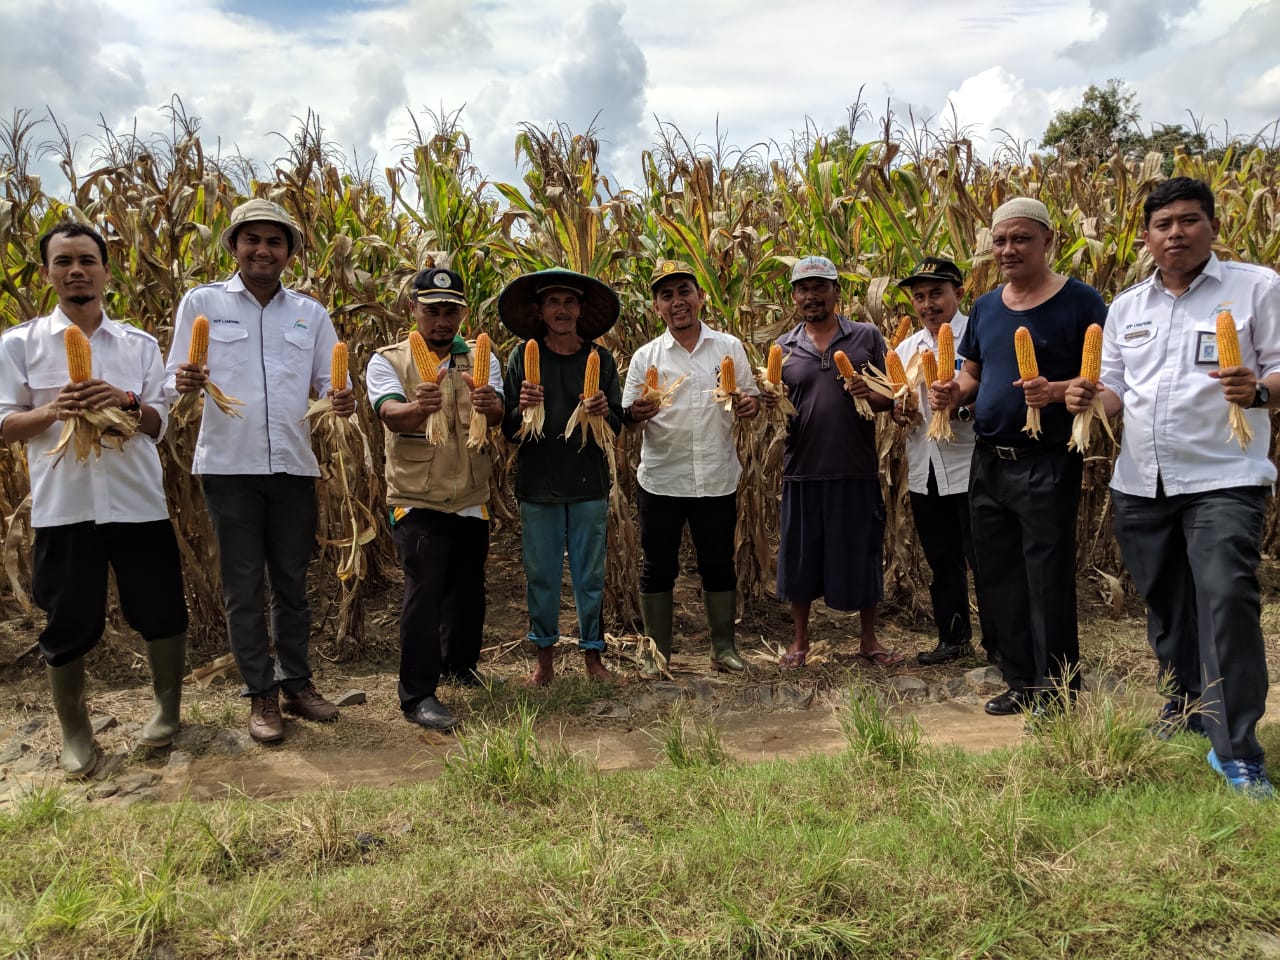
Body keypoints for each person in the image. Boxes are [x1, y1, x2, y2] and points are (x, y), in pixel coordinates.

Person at [1066, 177, 1279, 795]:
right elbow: (1114, 388)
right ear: (1147, 237)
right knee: (1165, 604)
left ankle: (1236, 749)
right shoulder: (1128, 306)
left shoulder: (1257, 288)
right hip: (1141, 481)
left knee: (1225, 599)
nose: (1176, 233)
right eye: (1163, 225)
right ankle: (1185, 702)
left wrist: (1258, 391)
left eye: (1189, 220)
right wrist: (1087, 397)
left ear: (1214, 226)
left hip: (1223, 477)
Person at [0, 223, 188, 777]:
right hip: (66, 506)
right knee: (68, 620)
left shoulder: (138, 344)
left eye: (87, 260)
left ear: (107, 271)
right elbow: (6, 425)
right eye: (63, 262)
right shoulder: (19, 344)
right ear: (46, 273)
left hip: (137, 503)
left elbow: (159, 423)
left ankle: (167, 710)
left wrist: (124, 401)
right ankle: (76, 731)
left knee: (160, 609)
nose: (76, 270)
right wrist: (53, 410)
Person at [166, 198, 355, 744]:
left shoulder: (310, 314)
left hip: (293, 467)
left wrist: (340, 399)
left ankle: (296, 683)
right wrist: (183, 382)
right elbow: (173, 377)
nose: (263, 250)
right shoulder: (203, 303)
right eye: (252, 239)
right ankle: (261, 693)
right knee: (243, 586)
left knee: (292, 583)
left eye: (275, 242)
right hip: (229, 468)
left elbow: (330, 385)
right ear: (234, 246)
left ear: (289, 252)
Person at [931, 198, 1106, 715]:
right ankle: (1021, 679)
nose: (1008, 249)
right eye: (1000, 240)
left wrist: (1056, 391)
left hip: (1046, 458)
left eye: (1021, 238)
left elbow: (1105, 376)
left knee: (1046, 576)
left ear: (1047, 240)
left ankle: (1058, 687)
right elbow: (973, 372)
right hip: (989, 459)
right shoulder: (986, 307)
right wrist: (954, 392)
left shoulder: (1081, 302)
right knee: (998, 574)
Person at [365, 267, 504, 731]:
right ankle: (417, 695)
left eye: (451, 311)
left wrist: (491, 405)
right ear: (413, 309)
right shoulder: (389, 360)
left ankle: (460, 667)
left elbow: (499, 412)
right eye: (432, 311)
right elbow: (390, 414)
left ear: (463, 313)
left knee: (467, 589)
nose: (442, 321)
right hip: (416, 496)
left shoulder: (481, 358)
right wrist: (418, 407)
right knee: (424, 592)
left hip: (470, 494)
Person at [621, 259, 760, 676]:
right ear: (656, 307)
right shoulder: (646, 356)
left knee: (718, 563)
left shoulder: (728, 347)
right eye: (667, 295)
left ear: (700, 296)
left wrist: (749, 404)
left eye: (684, 291)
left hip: (716, 476)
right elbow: (628, 417)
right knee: (657, 566)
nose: (677, 301)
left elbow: (749, 400)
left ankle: (723, 648)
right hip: (662, 478)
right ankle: (656, 654)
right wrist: (636, 413)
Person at [499, 268, 623, 686]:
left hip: (588, 482)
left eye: (570, 302)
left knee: (590, 575)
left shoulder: (600, 359)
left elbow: (617, 424)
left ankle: (593, 657)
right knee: (542, 575)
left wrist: (603, 411)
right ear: (540, 311)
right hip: (538, 484)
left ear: (581, 310)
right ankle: (544, 661)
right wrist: (522, 407)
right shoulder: (523, 356)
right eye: (554, 302)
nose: (563, 310)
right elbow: (508, 428)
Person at [776, 255, 900, 669]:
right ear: (794, 296)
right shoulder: (783, 347)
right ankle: (800, 642)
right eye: (803, 289)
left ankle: (868, 639)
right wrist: (769, 400)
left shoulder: (866, 336)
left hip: (854, 466)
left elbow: (891, 398)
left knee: (862, 553)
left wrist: (869, 392)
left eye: (820, 287)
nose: (811, 296)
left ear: (836, 292)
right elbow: (775, 408)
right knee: (800, 560)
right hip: (802, 468)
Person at [893, 257, 994, 665]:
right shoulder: (907, 349)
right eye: (919, 297)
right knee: (942, 560)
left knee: (985, 560)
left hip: (972, 466)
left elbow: (996, 395)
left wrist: (962, 409)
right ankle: (953, 639)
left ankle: (998, 643)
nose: (927, 304)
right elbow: (902, 403)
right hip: (926, 469)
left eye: (936, 293)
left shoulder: (980, 338)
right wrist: (901, 411)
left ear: (959, 293)